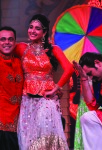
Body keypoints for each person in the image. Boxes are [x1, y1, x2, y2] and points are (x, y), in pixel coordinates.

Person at [15, 14, 74, 150]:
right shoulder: (22, 48)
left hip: (47, 99)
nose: (32, 31)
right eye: (31, 27)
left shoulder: (54, 50)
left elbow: (69, 69)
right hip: (27, 100)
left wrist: (55, 88)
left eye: (37, 28)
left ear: (44, 32)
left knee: (46, 138)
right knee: (28, 139)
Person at [0, 26, 24, 150]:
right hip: (1, 124)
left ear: (15, 42)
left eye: (10, 39)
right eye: (3, 39)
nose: (7, 42)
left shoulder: (20, 63)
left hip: (20, 124)